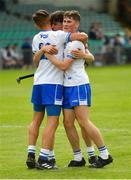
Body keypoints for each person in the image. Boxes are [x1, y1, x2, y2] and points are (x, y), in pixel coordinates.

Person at [45, 10, 113, 168]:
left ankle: (104, 154)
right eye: (65, 21)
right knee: (68, 123)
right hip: (67, 86)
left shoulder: (75, 42)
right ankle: (78, 158)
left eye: (69, 22)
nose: (66, 24)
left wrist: (48, 57)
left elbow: (64, 66)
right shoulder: (66, 39)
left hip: (78, 84)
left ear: (77, 24)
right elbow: (89, 55)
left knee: (83, 121)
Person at [26, 9, 88, 170]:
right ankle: (44, 158)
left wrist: (42, 50)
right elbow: (81, 36)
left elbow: (35, 61)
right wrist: (84, 41)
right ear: (49, 21)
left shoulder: (36, 37)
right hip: (52, 84)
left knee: (35, 120)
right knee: (52, 121)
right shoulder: (58, 35)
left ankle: (31, 154)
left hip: (38, 82)